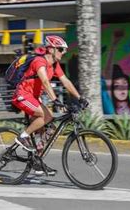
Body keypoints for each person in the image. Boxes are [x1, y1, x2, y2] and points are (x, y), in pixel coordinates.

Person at [11, 35, 88, 176]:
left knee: (49, 127)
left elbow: (66, 82)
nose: (63, 52)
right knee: (44, 116)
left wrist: (80, 97)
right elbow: (45, 82)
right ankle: (22, 137)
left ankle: (37, 162)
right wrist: (55, 100)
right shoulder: (39, 61)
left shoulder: (55, 65)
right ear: (51, 49)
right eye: (60, 49)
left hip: (34, 98)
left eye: (64, 50)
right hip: (22, 95)